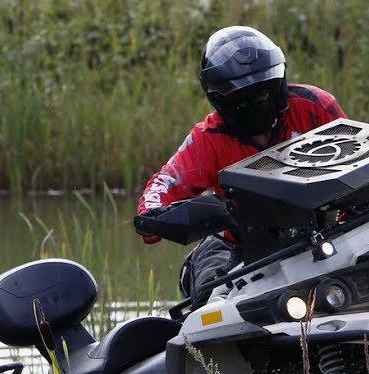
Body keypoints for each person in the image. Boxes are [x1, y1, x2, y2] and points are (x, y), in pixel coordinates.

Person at [134, 26, 346, 306]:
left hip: (329, 227)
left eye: (264, 88)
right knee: (210, 295)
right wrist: (152, 217)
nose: (257, 100)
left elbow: (363, 152)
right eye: (243, 96)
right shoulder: (208, 138)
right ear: (220, 98)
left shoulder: (315, 107)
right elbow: (166, 182)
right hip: (238, 239)